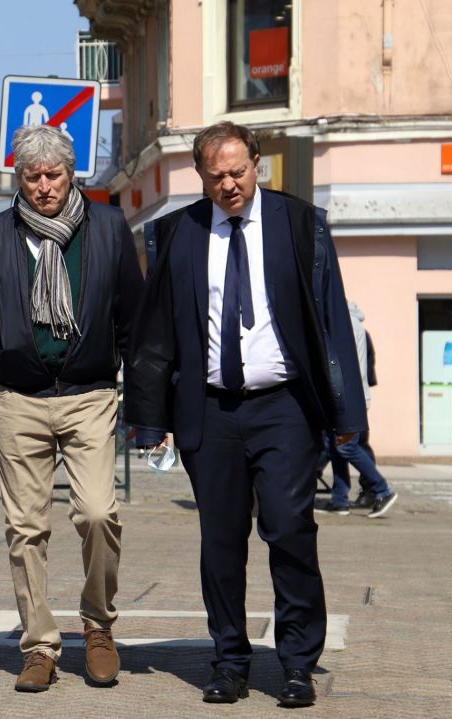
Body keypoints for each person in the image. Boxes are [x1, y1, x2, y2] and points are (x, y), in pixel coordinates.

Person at [125, 121, 368, 707]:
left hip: (284, 407)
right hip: (211, 413)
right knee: (221, 542)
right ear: (200, 176)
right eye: (216, 176)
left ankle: (296, 664)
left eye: (238, 171)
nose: (230, 184)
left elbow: (331, 322)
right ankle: (230, 660)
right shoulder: (176, 235)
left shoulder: (299, 225)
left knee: (289, 530)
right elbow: (154, 335)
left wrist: (346, 413)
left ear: (256, 163)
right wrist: (151, 421)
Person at [0, 125, 144, 692]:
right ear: (19, 179)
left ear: (70, 173)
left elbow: (134, 321)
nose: (44, 186)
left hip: (90, 394)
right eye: (33, 177)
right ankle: (40, 646)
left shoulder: (106, 228)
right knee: (26, 528)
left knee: (98, 513)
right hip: (19, 398)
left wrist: (150, 406)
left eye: (53, 175)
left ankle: (98, 628)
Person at [315, 301, 397, 517]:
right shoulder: (356, 326)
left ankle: (382, 489)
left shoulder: (343, 325)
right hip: (349, 395)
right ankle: (340, 500)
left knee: (346, 447)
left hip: (347, 397)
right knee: (336, 446)